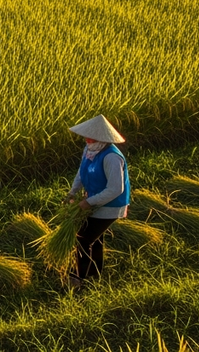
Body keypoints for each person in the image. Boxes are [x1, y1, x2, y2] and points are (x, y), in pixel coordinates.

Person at [65, 114, 130, 290]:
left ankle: (78, 278)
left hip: (110, 205)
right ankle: (94, 272)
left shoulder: (111, 157)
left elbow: (116, 189)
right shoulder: (90, 150)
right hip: (94, 201)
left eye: (90, 137)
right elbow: (81, 172)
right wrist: (72, 192)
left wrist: (89, 202)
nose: (86, 139)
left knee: (83, 239)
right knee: (95, 238)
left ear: (101, 138)